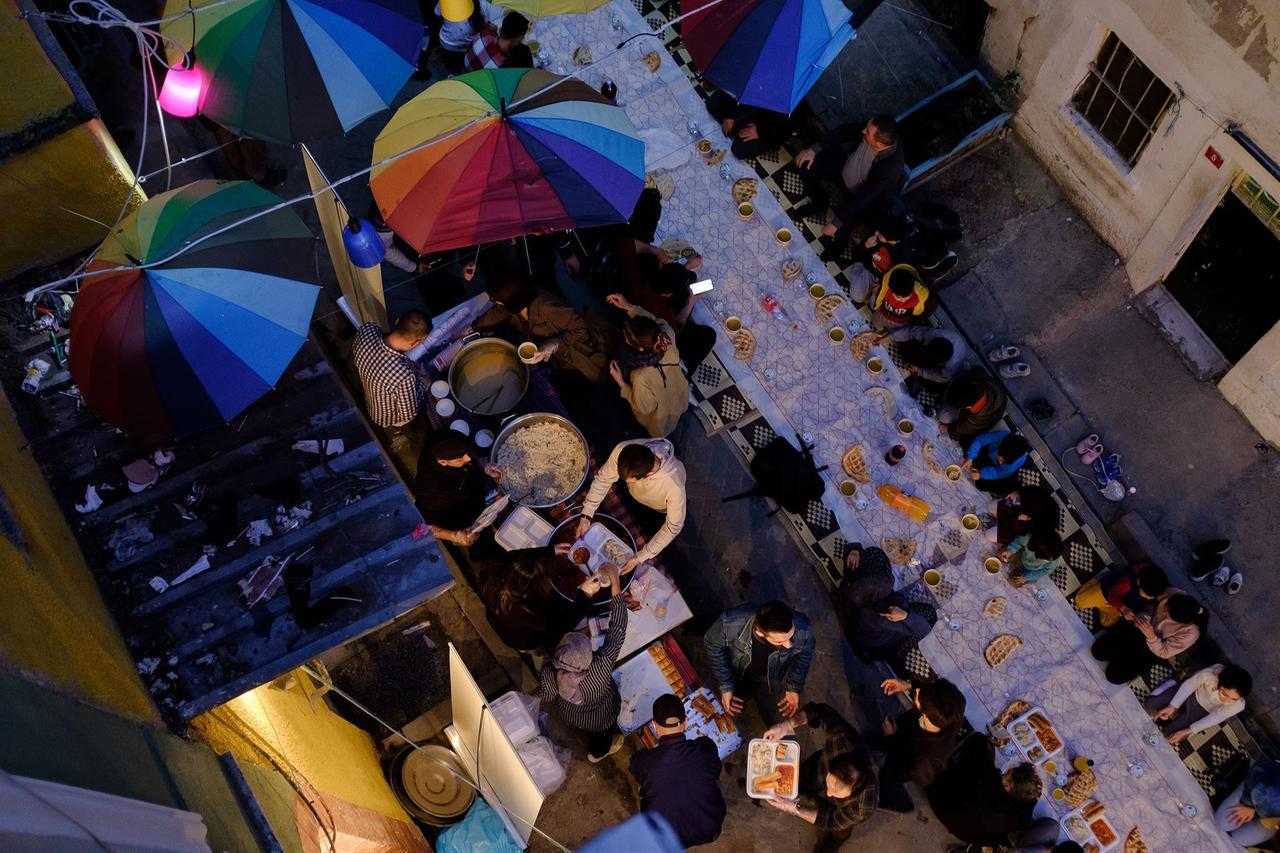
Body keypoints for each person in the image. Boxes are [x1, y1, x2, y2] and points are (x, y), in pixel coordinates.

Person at [536, 564, 629, 762]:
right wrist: (615, 582)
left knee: (590, 727)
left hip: (572, 715)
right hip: (601, 717)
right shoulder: (600, 667)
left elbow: (547, 694)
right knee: (601, 735)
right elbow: (618, 628)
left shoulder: (549, 671)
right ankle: (598, 752)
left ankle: (595, 749)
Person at [761, 702, 878, 852]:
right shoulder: (841, 738)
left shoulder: (865, 804)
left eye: (836, 792)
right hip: (813, 772)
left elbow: (831, 820)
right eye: (830, 783)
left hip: (837, 810)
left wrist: (794, 808)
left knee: (839, 833)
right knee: (799, 782)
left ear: (854, 792)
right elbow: (820, 711)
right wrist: (786, 725)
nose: (828, 793)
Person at [793, 115, 906, 261]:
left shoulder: (890, 168)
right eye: (867, 127)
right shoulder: (874, 129)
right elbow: (844, 131)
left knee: (845, 224)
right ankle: (819, 203)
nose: (863, 130)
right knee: (805, 165)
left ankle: (839, 246)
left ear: (878, 144)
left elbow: (863, 198)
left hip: (861, 195)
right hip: (845, 167)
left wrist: (835, 224)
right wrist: (813, 150)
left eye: (867, 132)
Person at [473, 277, 613, 384]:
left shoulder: (547, 307)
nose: (495, 302)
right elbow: (499, 311)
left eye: (496, 300)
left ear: (509, 300)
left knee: (576, 382)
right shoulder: (515, 299)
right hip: (554, 355)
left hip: (575, 353)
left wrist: (554, 343)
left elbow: (580, 327)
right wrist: (474, 326)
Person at [629, 693, 726, 847]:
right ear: (686, 722)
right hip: (709, 828)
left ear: (654, 725)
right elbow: (715, 769)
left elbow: (634, 765)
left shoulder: (643, 762)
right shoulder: (704, 749)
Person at [576, 439, 686, 571]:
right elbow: (604, 479)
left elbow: (672, 527)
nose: (627, 482)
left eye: (631, 481)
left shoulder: (674, 487)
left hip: (659, 506)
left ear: (649, 473)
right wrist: (586, 515)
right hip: (639, 495)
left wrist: (641, 556)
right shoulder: (623, 450)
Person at [704, 601, 815, 719]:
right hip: (732, 665)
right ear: (759, 632)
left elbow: (804, 656)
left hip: (758, 677)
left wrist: (794, 687)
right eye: (780, 641)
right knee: (719, 688)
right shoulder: (731, 623)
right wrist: (725, 685)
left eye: (791, 636)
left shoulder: (804, 628)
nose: (789, 645)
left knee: (743, 693)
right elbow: (712, 644)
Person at [475, 544, 595, 651]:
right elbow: (558, 627)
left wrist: (549, 551)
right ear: (528, 592)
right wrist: (585, 595)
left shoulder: (492, 569)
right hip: (520, 638)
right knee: (544, 643)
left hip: (497, 619)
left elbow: (514, 556)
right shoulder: (519, 610)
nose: (548, 581)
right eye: (544, 580)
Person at [927, 734, 1041, 846]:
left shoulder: (985, 777)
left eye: (1007, 773)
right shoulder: (1020, 817)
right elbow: (1024, 820)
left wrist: (990, 743)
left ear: (1007, 786)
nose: (1006, 771)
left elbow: (977, 740)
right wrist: (1033, 800)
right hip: (966, 833)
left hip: (940, 801)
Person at [874, 677, 967, 812]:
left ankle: (902, 805)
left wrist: (891, 737)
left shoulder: (927, 758)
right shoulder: (950, 711)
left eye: (919, 694)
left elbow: (919, 777)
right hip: (904, 735)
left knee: (889, 778)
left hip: (903, 762)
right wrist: (908, 685)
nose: (917, 690)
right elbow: (929, 694)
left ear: (925, 715)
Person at [606, 293, 689, 438]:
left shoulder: (640, 376)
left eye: (627, 337)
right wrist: (628, 306)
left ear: (640, 349)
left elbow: (643, 407)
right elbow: (653, 322)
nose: (625, 337)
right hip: (681, 400)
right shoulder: (666, 334)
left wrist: (620, 382)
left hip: (659, 423)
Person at [834, 544, 933, 660]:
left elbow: (865, 553)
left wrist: (854, 550)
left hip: (853, 611)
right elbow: (923, 630)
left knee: (873, 554)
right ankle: (892, 648)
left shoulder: (855, 587)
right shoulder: (883, 614)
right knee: (929, 613)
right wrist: (906, 616)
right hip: (869, 635)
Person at [351, 312, 431, 451]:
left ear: (397, 320)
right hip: (387, 418)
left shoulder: (368, 329)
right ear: (416, 343)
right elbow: (409, 413)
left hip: (370, 397)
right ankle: (403, 436)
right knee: (413, 426)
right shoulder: (404, 376)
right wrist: (424, 382)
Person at [1091, 592, 1207, 684]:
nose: (1163, 612)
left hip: (1151, 649)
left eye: (1166, 614)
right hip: (1139, 627)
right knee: (1097, 651)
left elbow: (1164, 652)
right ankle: (1120, 654)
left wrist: (1151, 636)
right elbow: (1150, 600)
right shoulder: (1174, 594)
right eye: (1165, 608)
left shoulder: (1191, 633)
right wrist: (1144, 613)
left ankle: (1123, 657)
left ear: (1180, 621)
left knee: (1113, 676)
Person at [412, 430, 501, 546]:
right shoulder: (431, 489)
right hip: (457, 515)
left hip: (469, 489)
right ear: (442, 462)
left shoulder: (441, 439)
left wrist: (483, 464)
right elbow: (420, 525)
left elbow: (467, 455)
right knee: (481, 542)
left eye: (466, 453)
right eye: (459, 459)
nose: (467, 459)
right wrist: (453, 535)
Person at [1144, 662, 1252, 744]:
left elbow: (1215, 718)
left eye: (1233, 699)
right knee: (1150, 706)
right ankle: (1174, 682)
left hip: (1203, 709)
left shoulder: (1238, 705)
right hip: (1194, 692)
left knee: (1172, 736)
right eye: (1224, 694)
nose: (1226, 701)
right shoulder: (1211, 674)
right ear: (1219, 682)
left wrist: (1186, 731)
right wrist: (1172, 706)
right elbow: (1189, 686)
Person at [875, 324, 966, 398]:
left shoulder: (951, 366)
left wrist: (919, 371)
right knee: (904, 349)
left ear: (941, 363)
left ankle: (919, 374)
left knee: (933, 388)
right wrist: (888, 338)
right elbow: (910, 331)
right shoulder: (932, 334)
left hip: (947, 372)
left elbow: (941, 377)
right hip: (934, 349)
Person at [1073, 562, 1170, 628]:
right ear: (1138, 582)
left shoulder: (1153, 586)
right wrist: (1123, 608)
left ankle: (1101, 606)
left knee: (1106, 623)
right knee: (1080, 602)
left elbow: (1151, 604)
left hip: (1122, 602)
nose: (1149, 598)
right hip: (1107, 591)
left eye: (1151, 597)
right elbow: (1112, 595)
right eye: (1147, 595)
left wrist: (1145, 614)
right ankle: (1099, 578)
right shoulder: (1127, 582)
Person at [704, 90, 793, 160]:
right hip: (745, 105)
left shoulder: (794, 90)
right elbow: (740, 84)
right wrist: (730, 115)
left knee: (739, 149)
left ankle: (736, 130)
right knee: (713, 103)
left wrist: (759, 132)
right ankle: (734, 128)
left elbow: (785, 127)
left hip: (763, 125)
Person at [1215, 758, 1280, 848]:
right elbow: (1258, 771)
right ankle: (1254, 794)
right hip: (1265, 783)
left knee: (1241, 839)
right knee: (1223, 822)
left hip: (1273, 817)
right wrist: (1249, 805)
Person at [938, 368, 1008, 449]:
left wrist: (949, 429)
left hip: (990, 415)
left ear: (967, 407)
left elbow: (964, 427)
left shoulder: (977, 417)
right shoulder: (976, 379)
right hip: (996, 395)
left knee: (943, 416)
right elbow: (977, 370)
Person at [985, 485, 1056, 549]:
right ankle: (999, 519)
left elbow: (1021, 534)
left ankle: (999, 523)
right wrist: (1014, 494)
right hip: (1015, 512)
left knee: (989, 535)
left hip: (1014, 529)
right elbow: (1018, 495)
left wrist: (1018, 519)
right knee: (991, 506)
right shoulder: (1034, 497)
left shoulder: (1037, 526)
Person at [963, 430, 1030, 496]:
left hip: (999, 469)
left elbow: (999, 473)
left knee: (981, 484)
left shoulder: (1015, 464)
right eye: (1000, 458)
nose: (1000, 462)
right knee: (965, 441)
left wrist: (981, 474)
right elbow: (980, 441)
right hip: (989, 452)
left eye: (1003, 461)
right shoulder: (1003, 435)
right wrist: (970, 458)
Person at [463, 11, 531, 71]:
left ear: (501, 29)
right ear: (515, 41)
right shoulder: (502, 67)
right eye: (521, 39)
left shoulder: (484, 33)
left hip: (465, 73)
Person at [869, 264, 931, 330]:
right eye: (898, 297)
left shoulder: (918, 296)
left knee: (893, 333)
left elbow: (917, 314)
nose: (903, 300)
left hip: (900, 322)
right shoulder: (887, 284)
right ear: (890, 289)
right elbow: (881, 295)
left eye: (907, 297)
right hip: (883, 313)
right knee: (875, 322)